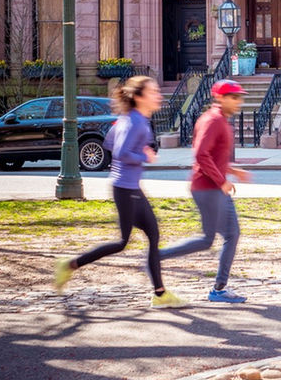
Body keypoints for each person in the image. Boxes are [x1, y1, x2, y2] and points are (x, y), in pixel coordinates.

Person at [54, 75, 185, 309]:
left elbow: (110, 141)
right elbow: (121, 152)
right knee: (123, 241)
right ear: (139, 97)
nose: (159, 95)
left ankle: (160, 293)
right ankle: (70, 265)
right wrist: (143, 155)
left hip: (129, 186)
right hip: (125, 188)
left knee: (153, 235)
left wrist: (138, 151)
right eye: (153, 92)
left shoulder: (134, 119)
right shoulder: (135, 121)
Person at [159, 79, 251, 303]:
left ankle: (219, 288)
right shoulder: (213, 120)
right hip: (207, 188)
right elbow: (200, 154)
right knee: (207, 239)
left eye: (239, 97)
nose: (238, 101)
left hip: (215, 187)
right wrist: (222, 181)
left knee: (232, 233)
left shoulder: (219, 120)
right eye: (234, 97)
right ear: (221, 98)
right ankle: (156, 257)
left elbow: (211, 155)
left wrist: (231, 170)